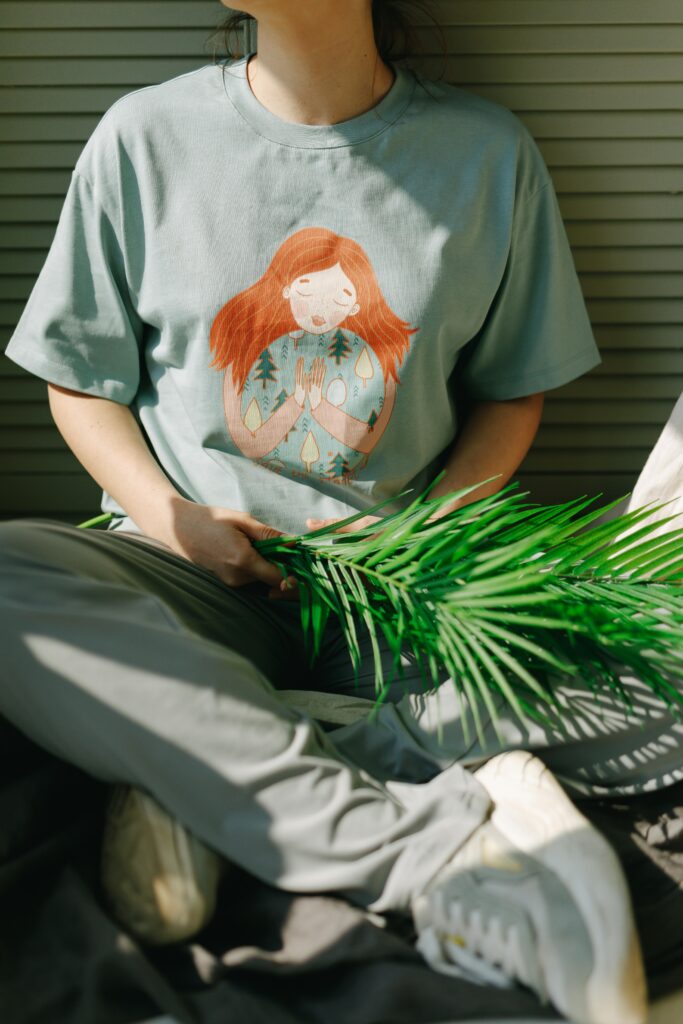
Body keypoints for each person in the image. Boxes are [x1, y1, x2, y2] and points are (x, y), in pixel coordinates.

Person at [7, 1, 681, 1021]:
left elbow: (511, 391)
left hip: (402, 605)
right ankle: (434, 849)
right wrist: (169, 515)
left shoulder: (486, 155)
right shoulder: (142, 138)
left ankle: (199, 759)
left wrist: (420, 531)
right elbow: (80, 383)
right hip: (183, 579)